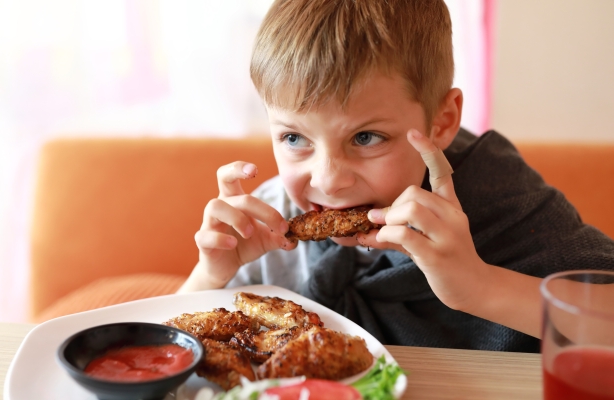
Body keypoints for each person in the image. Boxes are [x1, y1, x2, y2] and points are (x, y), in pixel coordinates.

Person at [177, 0, 614, 352]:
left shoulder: (500, 195)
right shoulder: (268, 221)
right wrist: (210, 274)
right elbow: (160, 351)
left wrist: (480, 287)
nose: (328, 181)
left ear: (441, 122)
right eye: (294, 138)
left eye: (366, 137)